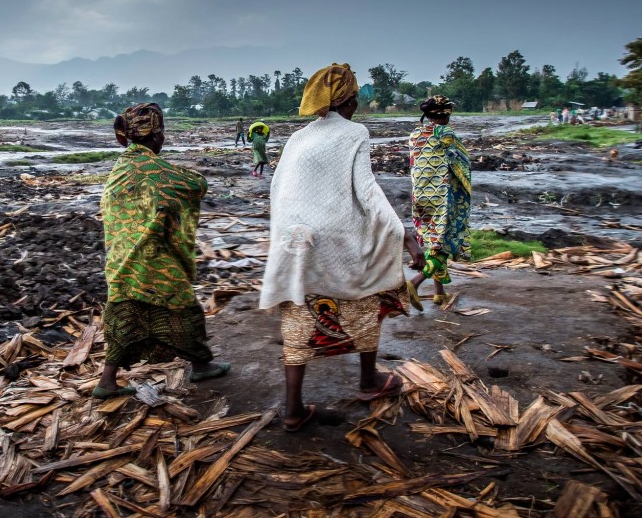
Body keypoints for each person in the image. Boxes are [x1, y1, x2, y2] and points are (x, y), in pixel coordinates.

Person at [258, 64, 425, 432]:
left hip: (294, 238)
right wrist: (403, 234)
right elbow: (367, 192)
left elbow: (278, 190)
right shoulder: (354, 133)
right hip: (333, 238)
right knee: (366, 294)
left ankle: (293, 409)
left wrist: (287, 236)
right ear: (349, 98)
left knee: (298, 313)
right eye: (355, 98)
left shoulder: (298, 137)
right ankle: (368, 382)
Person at [95, 103, 231, 398]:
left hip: (121, 259)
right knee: (184, 308)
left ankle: (107, 382)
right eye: (163, 133)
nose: (164, 139)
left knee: (124, 314)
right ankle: (202, 365)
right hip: (153, 259)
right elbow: (196, 184)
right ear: (155, 135)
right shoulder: (155, 169)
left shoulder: (120, 169)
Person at [408, 96, 472, 306]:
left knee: (432, 242)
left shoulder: (415, 134)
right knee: (442, 244)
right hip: (442, 197)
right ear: (446, 115)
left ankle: (439, 292)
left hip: (421, 197)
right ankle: (415, 283)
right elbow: (460, 159)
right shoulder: (446, 134)